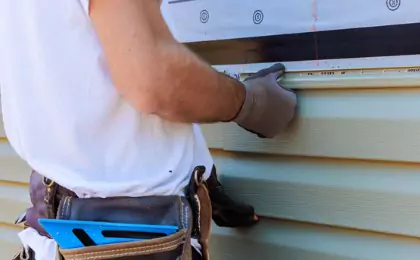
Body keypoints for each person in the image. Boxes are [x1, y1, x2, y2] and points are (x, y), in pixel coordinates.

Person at [0, 0, 297, 259]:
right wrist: (249, 103)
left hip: (55, 228)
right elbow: (152, 80)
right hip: (131, 245)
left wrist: (192, 167)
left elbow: (73, 75)